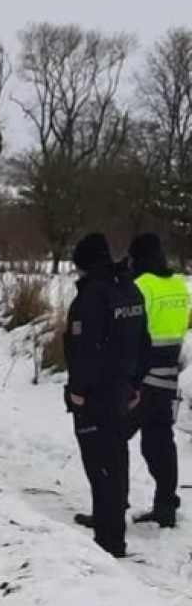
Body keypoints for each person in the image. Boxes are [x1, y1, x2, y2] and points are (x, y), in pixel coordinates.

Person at [64, 232, 150, 557]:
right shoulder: (129, 289)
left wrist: (78, 392)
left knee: (101, 463)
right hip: (122, 389)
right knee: (116, 457)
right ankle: (108, 522)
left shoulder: (93, 296)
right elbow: (145, 341)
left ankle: (109, 540)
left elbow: (86, 349)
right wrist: (137, 385)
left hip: (97, 393)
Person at [124, 233, 191, 527]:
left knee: (113, 438)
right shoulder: (180, 285)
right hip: (169, 377)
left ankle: (110, 506)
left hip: (143, 377)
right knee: (160, 442)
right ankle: (165, 506)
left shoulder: (141, 286)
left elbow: (131, 332)